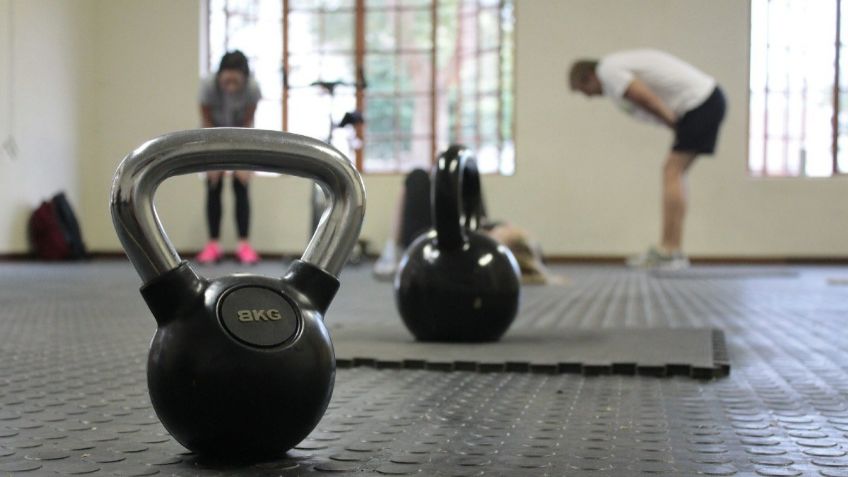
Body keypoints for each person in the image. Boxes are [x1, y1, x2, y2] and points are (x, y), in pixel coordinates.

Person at [569, 49, 726, 270]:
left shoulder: (608, 70)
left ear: (589, 76)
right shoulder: (613, 72)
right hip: (703, 102)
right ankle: (670, 249)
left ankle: (670, 251)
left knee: (672, 172)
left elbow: (644, 96)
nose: (587, 97)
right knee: (674, 173)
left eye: (583, 90)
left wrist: (671, 120)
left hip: (700, 102)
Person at [373, 169, 564, 285]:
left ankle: (393, 250)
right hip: (455, 230)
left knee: (417, 177)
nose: (508, 226)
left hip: (428, 244)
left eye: (508, 230)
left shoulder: (484, 252)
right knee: (466, 175)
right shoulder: (495, 232)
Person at [196, 51, 262, 265]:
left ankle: (244, 245)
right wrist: (212, 160)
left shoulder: (252, 88)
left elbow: (247, 121)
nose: (231, 84)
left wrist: (243, 163)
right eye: (227, 79)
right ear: (219, 75)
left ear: (244, 78)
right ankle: (213, 245)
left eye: (236, 80)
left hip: (241, 135)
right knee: (213, 184)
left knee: (241, 184)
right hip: (212, 134)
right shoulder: (207, 86)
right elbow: (206, 121)